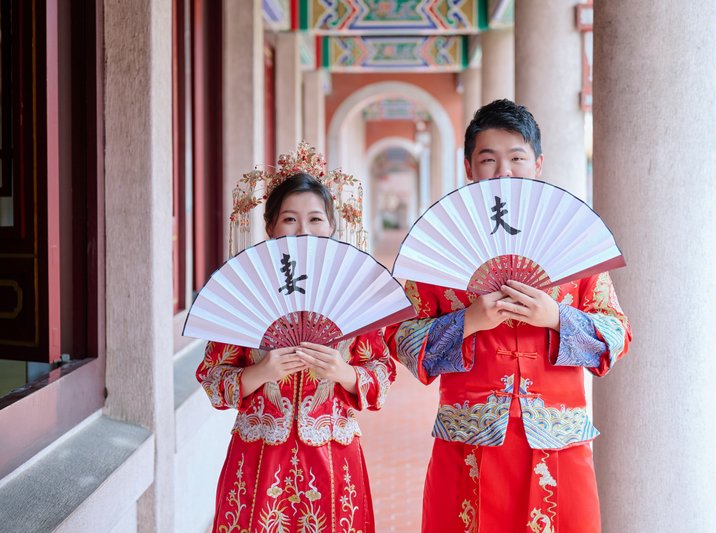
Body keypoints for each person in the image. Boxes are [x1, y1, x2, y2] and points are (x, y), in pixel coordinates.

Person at [386, 99, 632, 532]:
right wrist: (468, 321)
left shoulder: (573, 238)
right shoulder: (442, 244)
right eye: (488, 160)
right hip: (468, 439)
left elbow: (616, 333)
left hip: (559, 439)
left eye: (516, 158)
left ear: (537, 164)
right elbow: (402, 340)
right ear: (468, 168)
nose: (504, 172)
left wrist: (556, 316)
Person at [197, 144, 395, 533]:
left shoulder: (354, 293)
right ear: (270, 227)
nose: (303, 230)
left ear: (332, 227)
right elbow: (211, 377)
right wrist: (260, 373)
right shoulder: (245, 292)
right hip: (258, 455)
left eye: (315, 219)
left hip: (333, 454)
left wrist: (345, 373)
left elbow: (383, 372)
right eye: (290, 219)